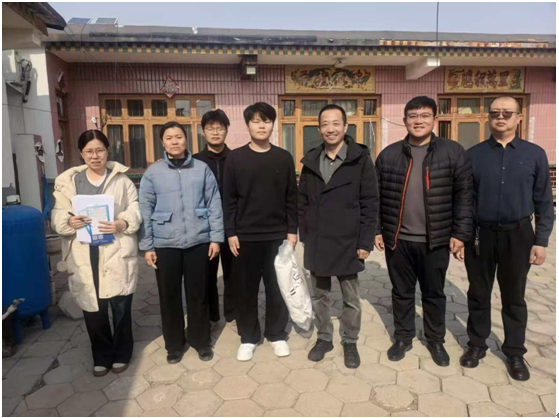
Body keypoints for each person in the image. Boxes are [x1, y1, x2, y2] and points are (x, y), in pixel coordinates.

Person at [459, 96, 554, 381]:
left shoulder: (534, 154)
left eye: (507, 113)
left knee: (514, 296)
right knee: (478, 292)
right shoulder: (473, 155)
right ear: (488, 117)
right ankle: (477, 344)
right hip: (481, 234)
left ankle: (514, 352)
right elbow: (464, 200)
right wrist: (461, 236)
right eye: (495, 113)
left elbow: (544, 201)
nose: (500, 117)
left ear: (518, 118)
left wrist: (541, 240)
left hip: (519, 234)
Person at [374, 96, 473, 367]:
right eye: (413, 116)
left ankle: (435, 340)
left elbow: (465, 196)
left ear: (435, 119)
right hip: (398, 239)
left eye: (425, 115)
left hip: (436, 240)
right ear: (404, 120)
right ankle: (403, 337)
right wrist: (377, 229)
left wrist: (460, 234)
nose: (419, 121)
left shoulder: (453, 152)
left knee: (434, 293)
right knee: (401, 292)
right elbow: (376, 197)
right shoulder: (389, 155)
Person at [51, 129, 142, 377]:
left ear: (107, 151)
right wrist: (69, 221)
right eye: (89, 151)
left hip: (115, 248)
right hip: (84, 251)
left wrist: (123, 222)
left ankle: (122, 353)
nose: (95, 156)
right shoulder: (68, 183)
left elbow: (135, 207)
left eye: (99, 150)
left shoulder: (121, 181)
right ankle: (101, 356)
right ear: (81, 154)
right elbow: (58, 214)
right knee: (93, 308)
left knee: (120, 305)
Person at [299, 104, 378, 369]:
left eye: (336, 123)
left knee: (350, 298)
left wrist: (365, 241)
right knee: (319, 295)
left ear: (345, 126)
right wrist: (305, 233)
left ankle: (350, 340)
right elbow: (302, 201)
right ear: (319, 128)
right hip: (318, 240)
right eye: (325, 124)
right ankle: (324, 338)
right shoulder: (311, 161)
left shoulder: (360, 159)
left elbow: (370, 202)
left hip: (348, 240)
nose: (330, 129)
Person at [139, 121, 224, 364]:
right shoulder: (153, 173)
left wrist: (216, 238)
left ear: (186, 139)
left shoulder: (201, 169)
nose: (174, 141)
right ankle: (174, 345)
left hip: (198, 241)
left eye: (178, 136)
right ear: (162, 142)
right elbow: (145, 209)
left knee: (199, 294)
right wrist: (147, 246)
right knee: (169, 296)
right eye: (169, 137)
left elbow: (214, 203)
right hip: (165, 244)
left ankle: (201, 341)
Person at [223, 102, 298, 361]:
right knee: (246, 290)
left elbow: (291, 197)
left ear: (273, 124)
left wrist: (292, 230)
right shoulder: (235, 158)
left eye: (266, 120)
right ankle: (248, 337)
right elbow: (229, 199)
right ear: (247, 125)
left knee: (277, 287)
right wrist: (230, 231)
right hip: (244, 236)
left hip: (277, 235)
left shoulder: (283, 157)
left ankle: (276, 334)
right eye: (256, 121)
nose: (261, 125)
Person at [193, 109, 237, 324]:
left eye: (220, 128)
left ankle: (233, 313)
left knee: (233, 272)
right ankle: (211, 315)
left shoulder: (237, 158)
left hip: (232, 226)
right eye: (211, 128)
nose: (216, 132)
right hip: (204, 227)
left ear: (227, 130)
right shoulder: (194, 161)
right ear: (203, 132)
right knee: (206, 274)